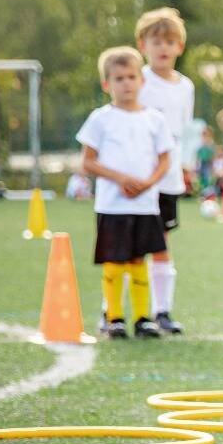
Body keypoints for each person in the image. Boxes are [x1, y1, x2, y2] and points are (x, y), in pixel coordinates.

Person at [76, 47, 174, 339]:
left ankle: (144, 318)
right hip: (112, 205)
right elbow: (88, 161)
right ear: (107, 84)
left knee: (138, 260)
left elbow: (165, 159)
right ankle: (114, 317)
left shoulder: (154, 119)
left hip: (145, 204)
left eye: (132, 76)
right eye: (118, 78)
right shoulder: (100, 119)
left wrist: (147, 183)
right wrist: (120, 178)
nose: (126, 83)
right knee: (115, 261)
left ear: (142, 80)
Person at [135, 7, 195, 334]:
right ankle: (114, 312)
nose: (163, 47)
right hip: (139, 177)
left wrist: (185, 168)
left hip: (168, 176)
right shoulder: (137, 80)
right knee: (129, 246)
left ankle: (162, 311)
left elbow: (184, 130)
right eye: (156, 41)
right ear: (143, 45)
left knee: (161, 243)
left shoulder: (186, 86)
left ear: (179, 47)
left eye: (169, 41)